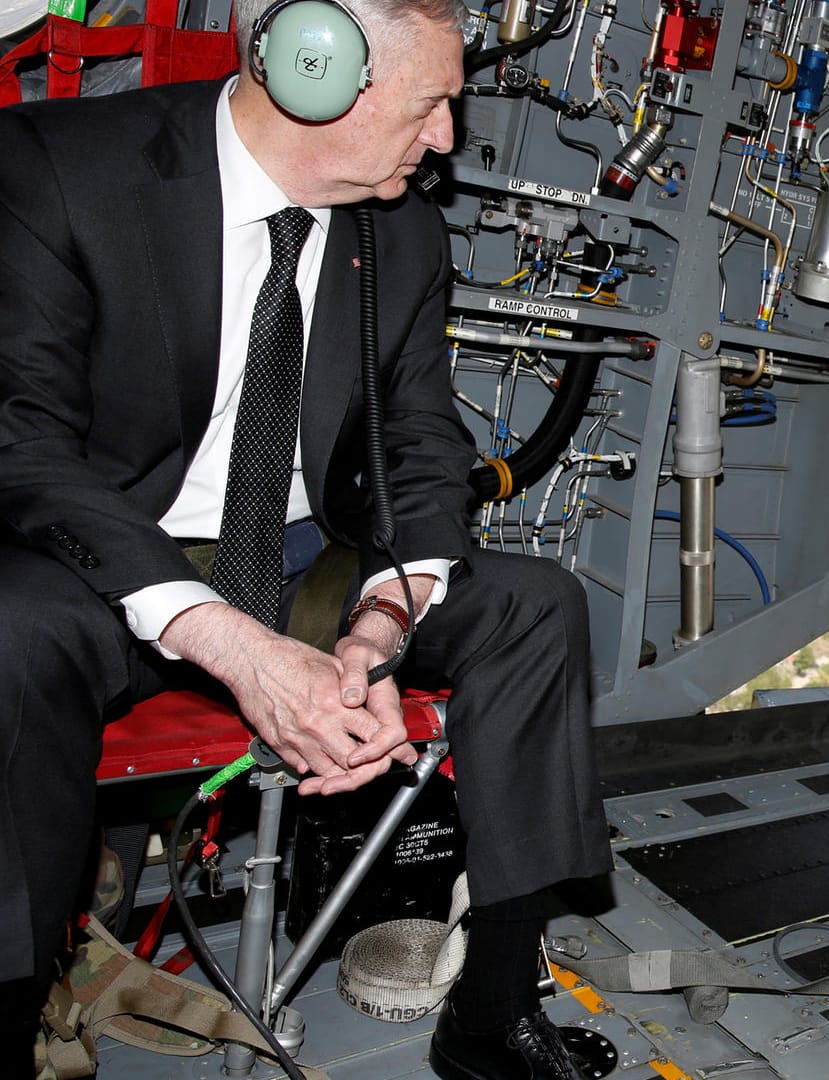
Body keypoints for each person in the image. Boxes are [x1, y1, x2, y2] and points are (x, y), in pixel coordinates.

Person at [0, 2, 610, 1076]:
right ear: (313, 77)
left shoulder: (400, 229)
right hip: (101, 565)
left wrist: (380, 623)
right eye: (431, 105)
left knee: (535, 604)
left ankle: (492, 1014)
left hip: (291, 562)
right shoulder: (60, 169)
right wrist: (231, 647)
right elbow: (23, 444)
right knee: (7, 631)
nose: (446, 141)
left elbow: (423, 444)